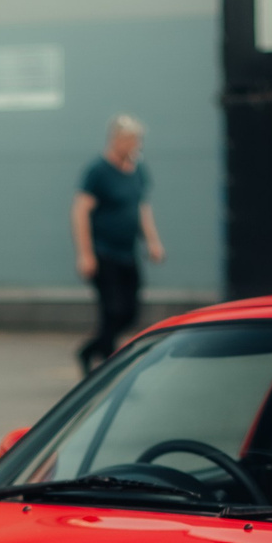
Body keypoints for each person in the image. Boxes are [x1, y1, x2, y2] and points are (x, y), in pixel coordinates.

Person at [72, 114, 164, 374]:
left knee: (130, 312)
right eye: (132, 140)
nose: (136, 145)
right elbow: (80, 212)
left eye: (139, 140)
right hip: (104, 253)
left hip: (127, 253)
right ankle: (108, 370)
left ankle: (89, 351)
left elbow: (142, 208)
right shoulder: (98, 171)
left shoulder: (138, 170)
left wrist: (153, 242)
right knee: (111, 310)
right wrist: (85, 254)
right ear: (117, 139)